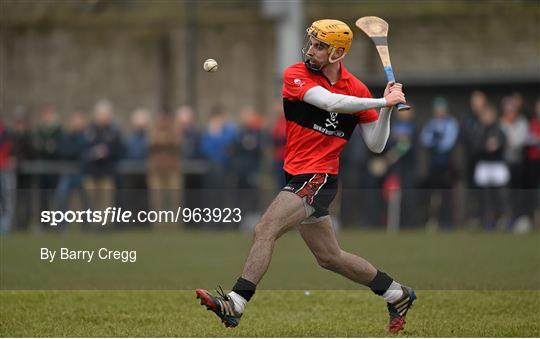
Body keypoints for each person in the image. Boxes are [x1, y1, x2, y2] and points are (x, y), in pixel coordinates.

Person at [196, 19, 415, 334]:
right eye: (311, 42)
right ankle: (397, 293)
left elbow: (377, 144)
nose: (311, 49)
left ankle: (236, 301)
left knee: (265, 227)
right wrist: (383, 100)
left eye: (320, 46)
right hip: (296, 174)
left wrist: (387, 109)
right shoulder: (296, 75)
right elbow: (329, 102)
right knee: (330, 257)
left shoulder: (357, 90)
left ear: (338, 53)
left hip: (320, 177)